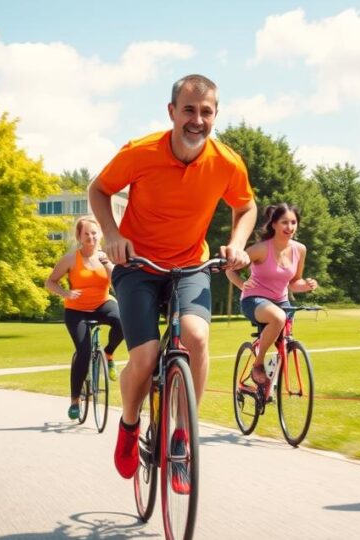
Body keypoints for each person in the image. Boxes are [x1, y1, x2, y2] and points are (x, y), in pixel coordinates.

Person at [88, 74, 256, 489]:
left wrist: (236, 243)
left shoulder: (227, 161)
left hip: (190, 265)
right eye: (189, 110)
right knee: (144, 359)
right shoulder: (140, 152)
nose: (197, 120)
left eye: (206, 112)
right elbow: (99, 189)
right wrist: (112, 234)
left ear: (215, 115)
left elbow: (247, 206)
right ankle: (129, 425)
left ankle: (181, 436)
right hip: (137, 266)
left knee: (196, 337)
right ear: (171, 112)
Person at [226, 203, 317, 400]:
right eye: (285, 222)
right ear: (274, 224)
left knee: (283, 338)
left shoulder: (299, 250)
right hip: (254, 300)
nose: (290, 227)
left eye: (293, 222)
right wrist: (242, 284)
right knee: (278, 318)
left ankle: (267, 387)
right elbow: (230, 269)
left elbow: (294, 283)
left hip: (281, 301)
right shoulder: (260, 249)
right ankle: (257, 366)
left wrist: (307, 284)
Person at [44, 216, 125, 420]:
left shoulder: (107, 257)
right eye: (86, 233)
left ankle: (108, 354)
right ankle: (74, 401)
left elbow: (118, 283)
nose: (91, 237)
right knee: (84, 351)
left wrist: (108, 264)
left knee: (122, 323)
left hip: (102, 303)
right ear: (79, 236)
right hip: (76, 310)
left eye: (94, 233)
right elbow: (50, 282)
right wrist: (65, 293)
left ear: (100, 235)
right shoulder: (71, 259)